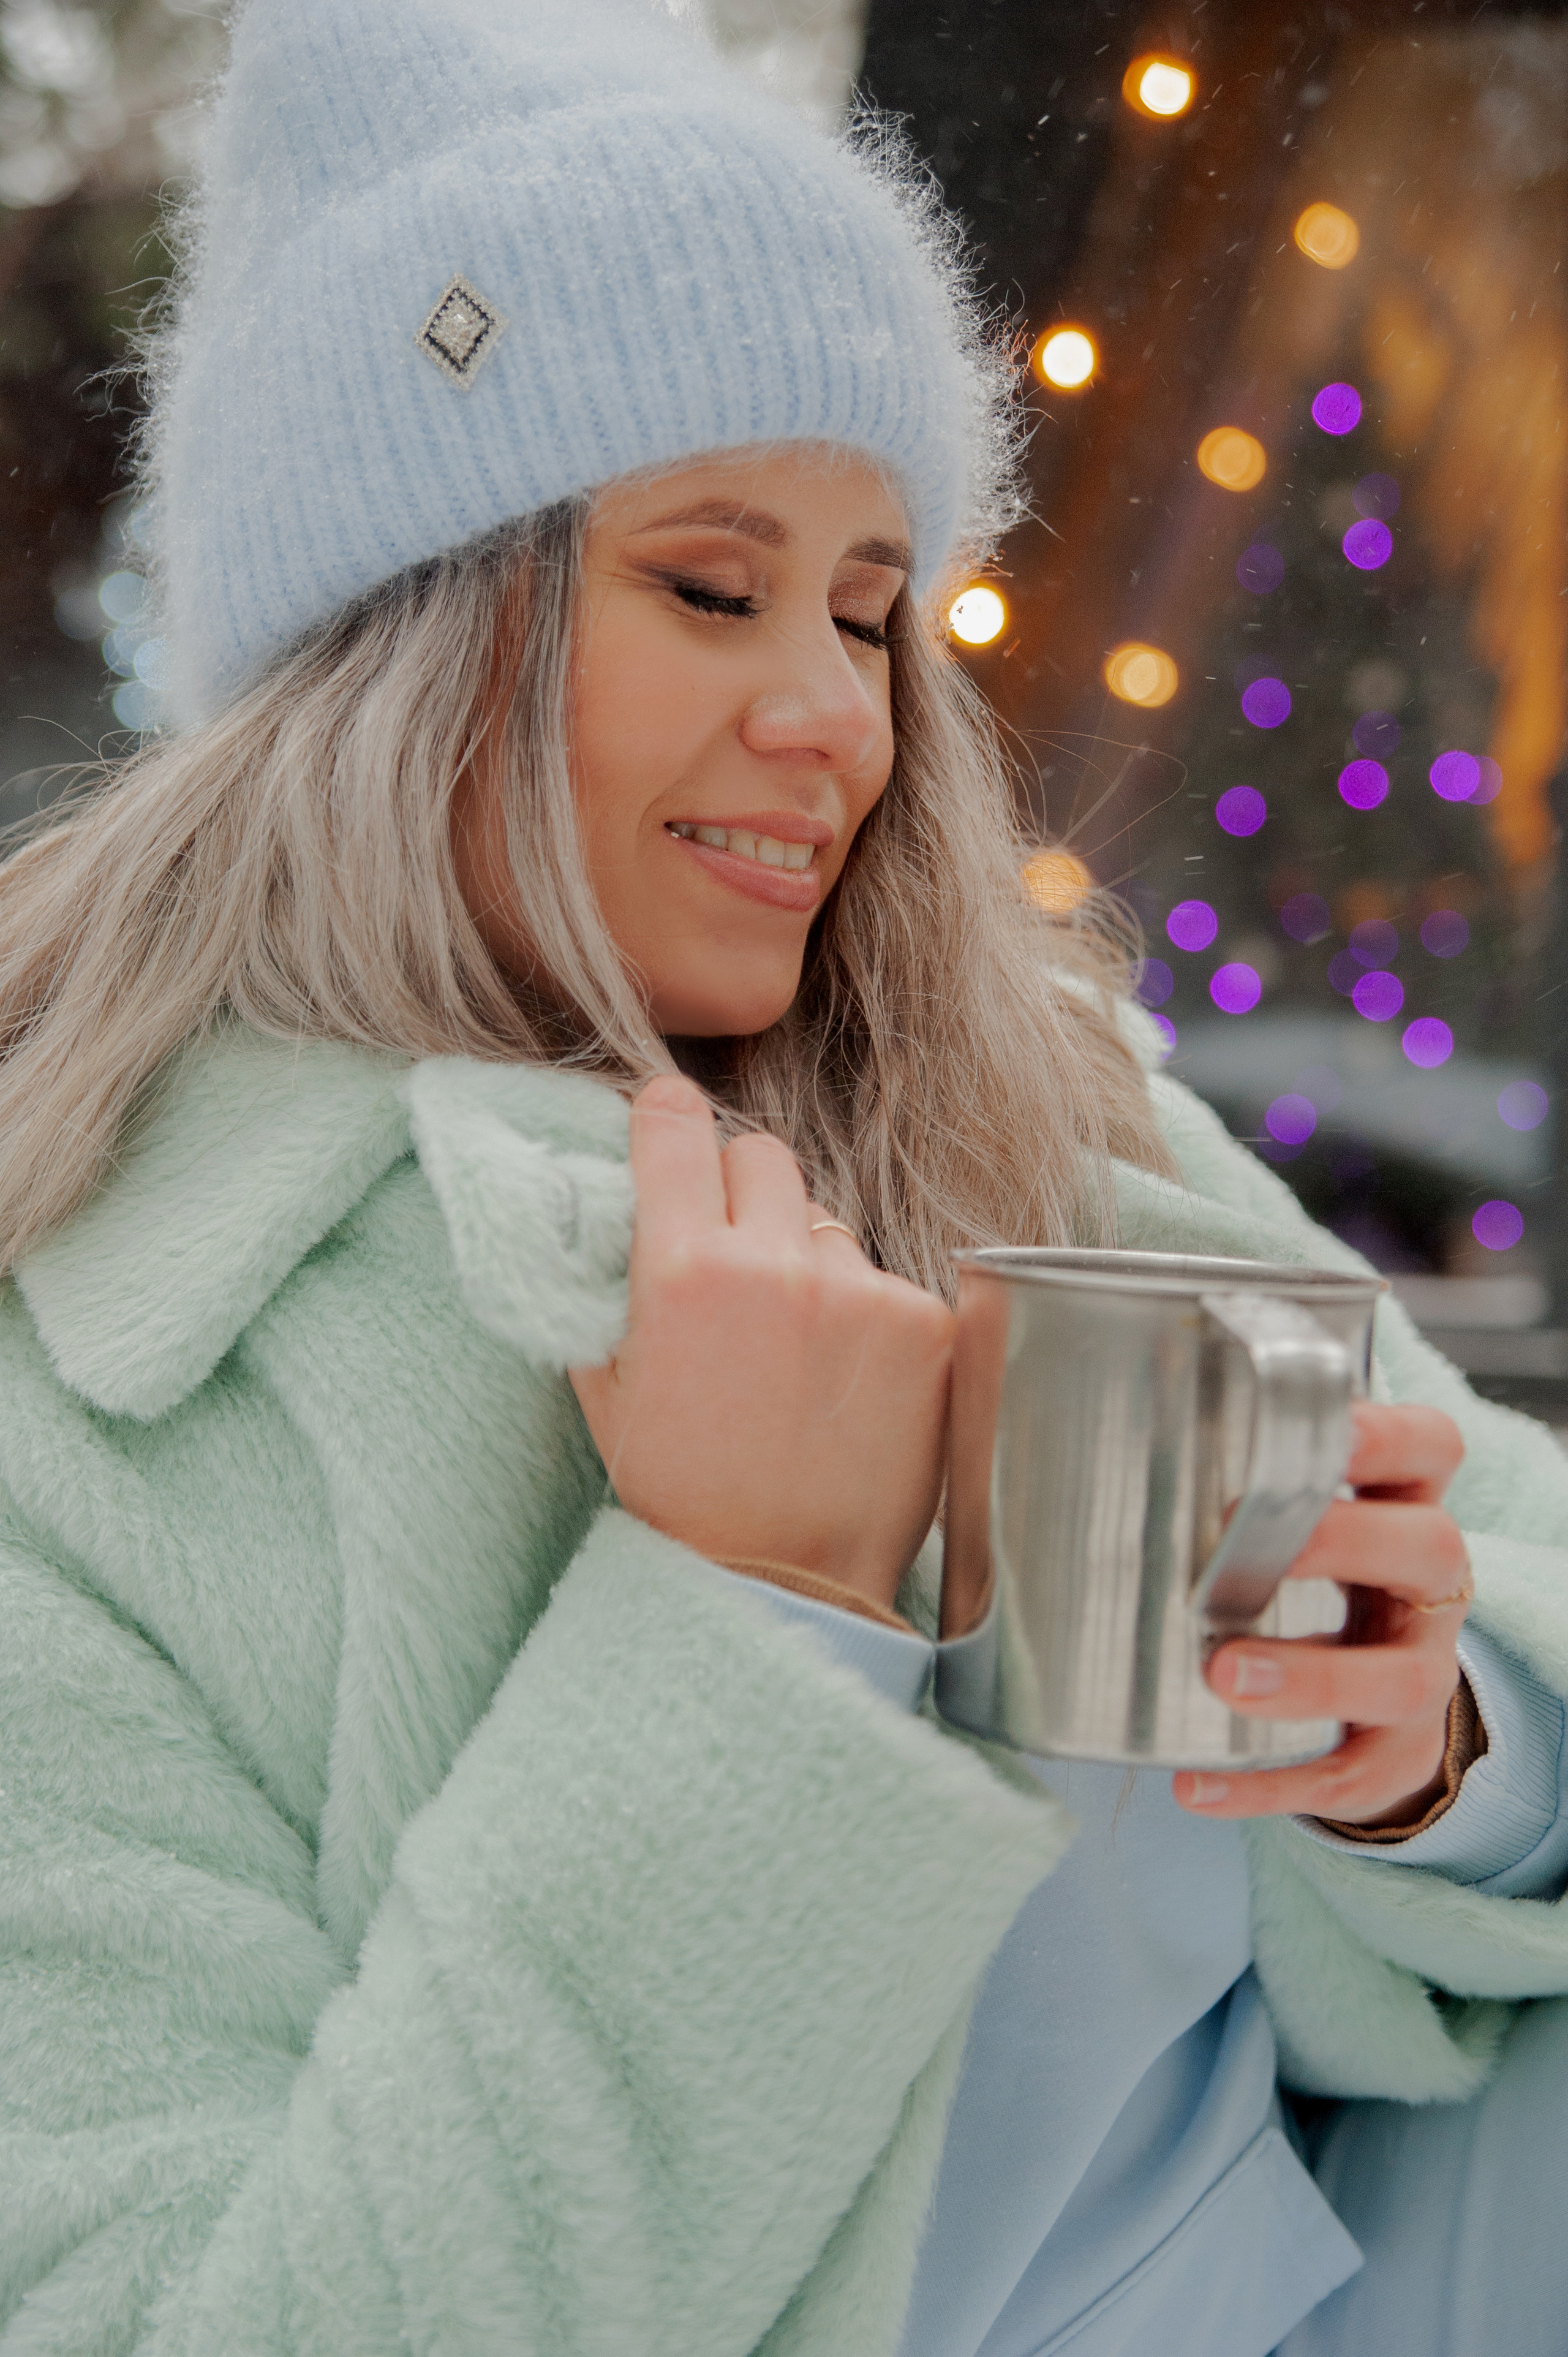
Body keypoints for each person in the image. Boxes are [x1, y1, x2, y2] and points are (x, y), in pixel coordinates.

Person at [1, 3, 1566, 2351]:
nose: (844, 718)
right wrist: (749, 1618)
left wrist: (1434, 1752)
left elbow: (1512, 1575)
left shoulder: (1036, 1106)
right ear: (402, 640)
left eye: (868, 609)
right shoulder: (105, 1378)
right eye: (715, 591)